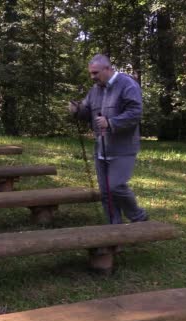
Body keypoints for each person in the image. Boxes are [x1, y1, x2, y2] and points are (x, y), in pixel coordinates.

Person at [69, 54, 147, 224]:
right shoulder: (95, 90)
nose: (92, 77)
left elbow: (135, 113)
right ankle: (114, 229)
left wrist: (111, 123)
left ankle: (138, 217)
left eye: (95, 73)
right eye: (91, 73)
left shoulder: (127, 84)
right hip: (101, 147)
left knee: (116, 186)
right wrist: (77, 110)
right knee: (106, 193)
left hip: (123, 147)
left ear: (107, 69)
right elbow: (86, 111)